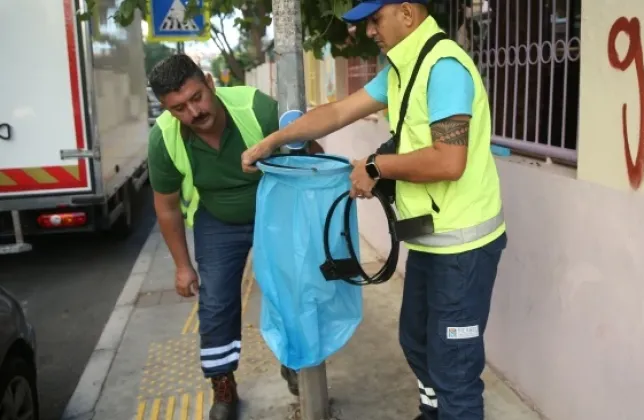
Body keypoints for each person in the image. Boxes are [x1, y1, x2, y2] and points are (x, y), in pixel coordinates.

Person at [241, 1, 507, 419]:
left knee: (454, 367)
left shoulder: (444, 69)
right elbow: (339, 112)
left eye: (374, 19)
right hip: (431, 241)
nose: (368, 31)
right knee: (417, 343)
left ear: (406, 13)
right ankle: (432, 411)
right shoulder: (405, 68)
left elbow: (448, 162)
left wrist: (374, 166)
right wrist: (272, 140)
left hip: (464, 247)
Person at [147, 54, 319, 420]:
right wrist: (182, 266)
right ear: (166, 109)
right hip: (217, 220)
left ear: (209, 83)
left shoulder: (254, 108)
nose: (193, 112)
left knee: (290, 288)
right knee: (216, 302)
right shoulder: (163, 137)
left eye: (197, 97)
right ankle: (222, 385)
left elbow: (309, 156)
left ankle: (293, 361)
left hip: (274, 210)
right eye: (178, 108)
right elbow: (166, 206)